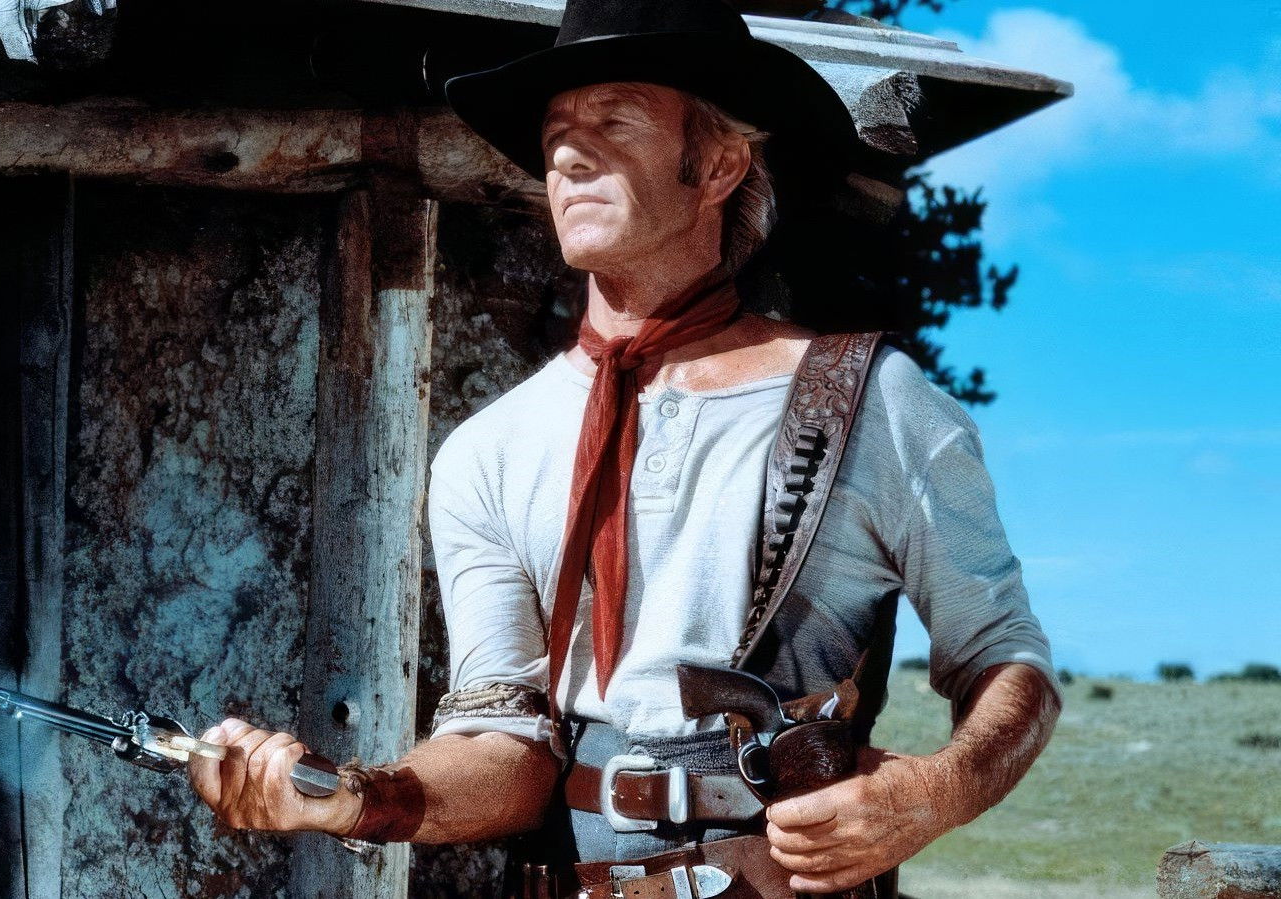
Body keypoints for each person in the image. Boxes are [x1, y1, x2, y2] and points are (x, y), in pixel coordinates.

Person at [189, 1, 1061, 895]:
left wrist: (936, 792)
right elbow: (507, 749)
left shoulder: (876, 400)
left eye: (615, 122)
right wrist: (353, 800)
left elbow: (1008, 659)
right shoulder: (492, 449)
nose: (568, 156)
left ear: (717, 165)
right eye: (556, 135)